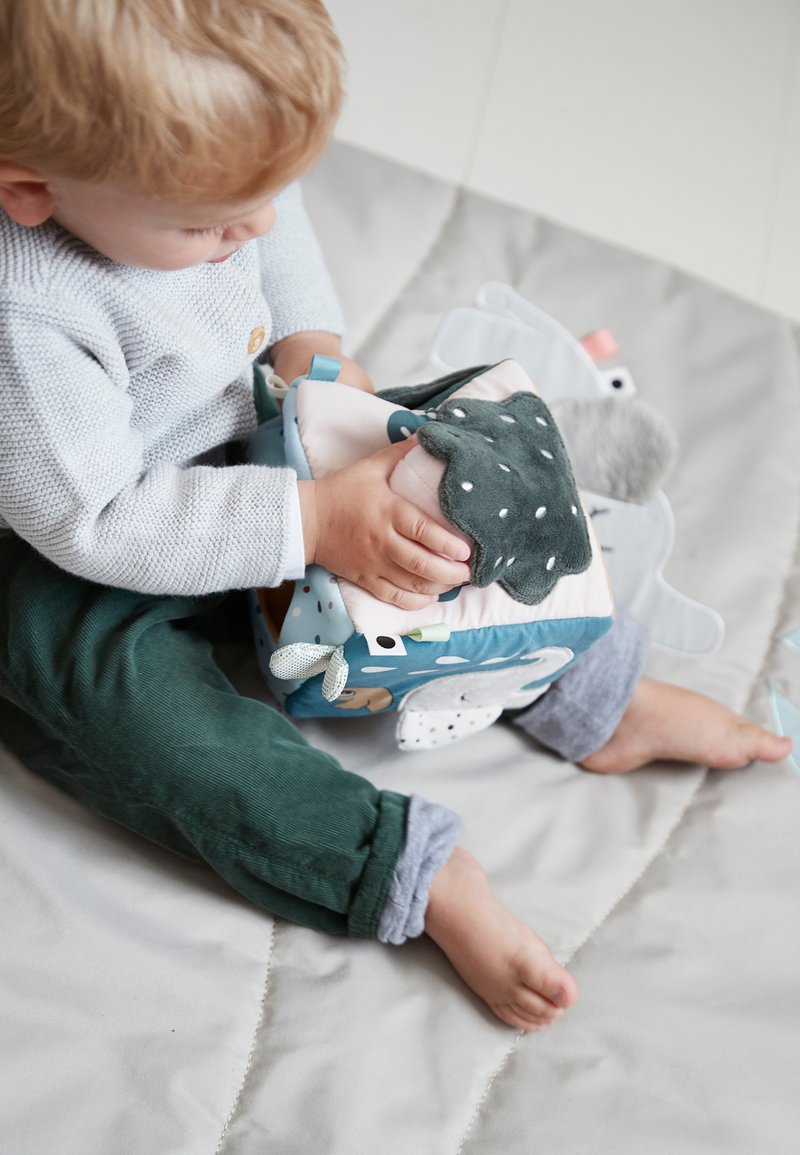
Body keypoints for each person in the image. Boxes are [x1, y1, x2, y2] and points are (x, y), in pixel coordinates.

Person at [0, 0, 790, 1035]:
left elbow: (272, 240)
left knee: (457, 439)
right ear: (29, 191)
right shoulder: (28, 319)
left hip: (260, 434)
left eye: (268, 192)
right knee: (131, 717)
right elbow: (97, 518)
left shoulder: (206, 190)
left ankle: (585, 685)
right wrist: (312, 523)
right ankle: (406, 869)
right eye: (205, 226)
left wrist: (311, 349)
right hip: (92, 544)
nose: (255, 231)